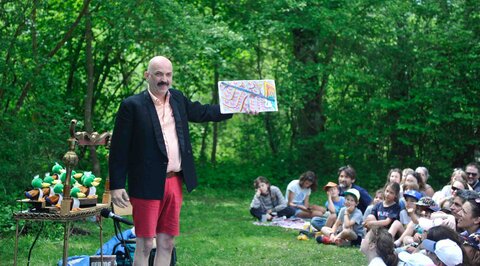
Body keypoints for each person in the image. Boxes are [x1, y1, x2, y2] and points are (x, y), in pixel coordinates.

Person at [109, 56, 234, 265]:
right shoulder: (132, 106)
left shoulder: (177, 99)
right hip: (145, 183)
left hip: (174, 181)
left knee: (167, 243)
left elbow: (204, 112)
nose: (164, 79)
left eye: (168, 74)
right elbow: (119, 149)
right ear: (147, 75)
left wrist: (236, 107)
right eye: (158, 74)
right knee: (145, 244)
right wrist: (117, 185)